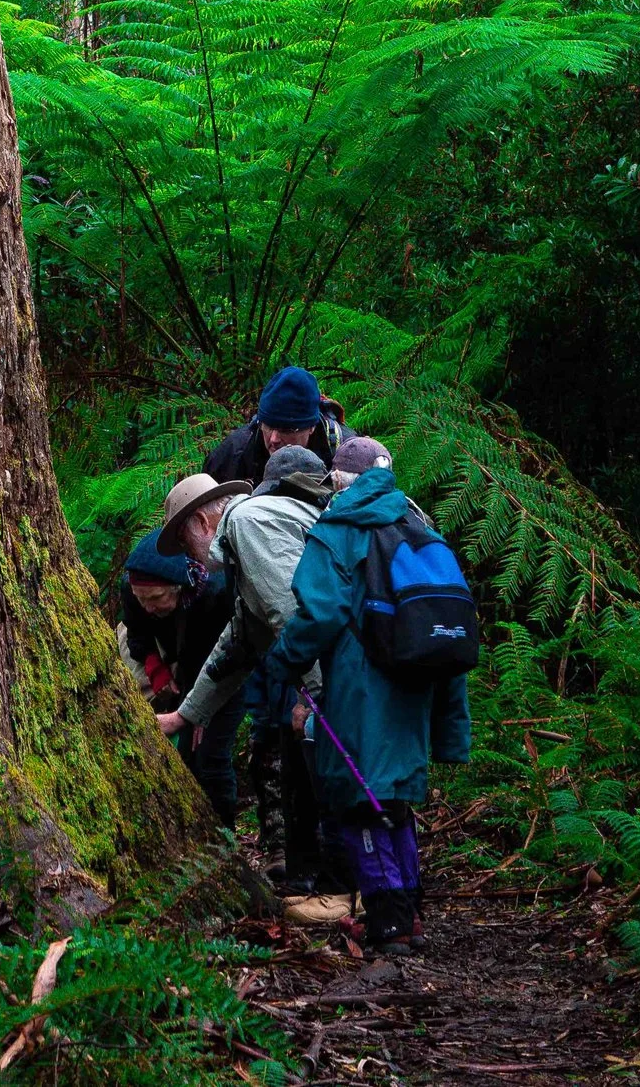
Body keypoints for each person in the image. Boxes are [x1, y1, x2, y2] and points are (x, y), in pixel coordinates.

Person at [263, 457, 473, 953]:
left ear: (338, 480)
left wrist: (283, 660)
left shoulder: (339, 529)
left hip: (363, 681)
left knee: (360, 801)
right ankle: (409, 915)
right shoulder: (415, 523)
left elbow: (320, 612)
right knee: (392, 798)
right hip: (416, 680)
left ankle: (388, 922)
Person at [158, 441, 344, 890]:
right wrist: (186, 715)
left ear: (203, 523)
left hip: (350, 671)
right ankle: (340, 889)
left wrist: (313, 696)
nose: (190, 557)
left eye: (185, 542)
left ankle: (353, 896)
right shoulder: (257, 527)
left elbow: (293, 612)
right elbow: (240, 643)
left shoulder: (247, 523)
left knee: (334, 772)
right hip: (357, 657)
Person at [116, 535, 240, 821]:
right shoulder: (134, 590)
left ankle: (225, 835)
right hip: (179, 660)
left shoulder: (214, 592)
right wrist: (158, 673)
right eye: (141, 599)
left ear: (177, 586)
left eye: (156, 598)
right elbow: (137, 632)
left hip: (228, 670)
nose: (148, 607)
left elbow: (221, 655)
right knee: (188, 754)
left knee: (211, 755)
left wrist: (200, 710)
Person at [203, 365, 348, 485]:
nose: (273, 439)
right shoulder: (230, 457)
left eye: (286, 430)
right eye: (268, 426)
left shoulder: (346, 454)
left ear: (311, 427)